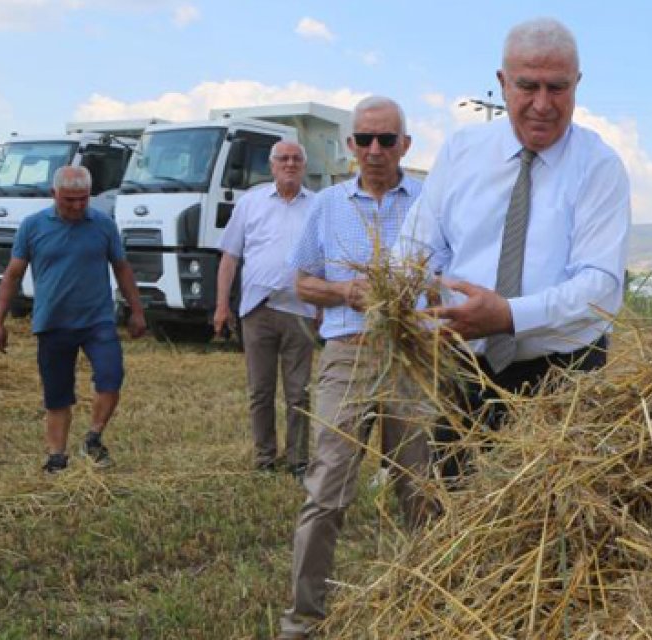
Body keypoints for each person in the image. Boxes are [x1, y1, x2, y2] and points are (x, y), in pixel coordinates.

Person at [396, 17, 631, 478]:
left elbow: (600, 285)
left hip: (564, 379)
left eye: (558, 88)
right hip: (466, 370)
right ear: (502, 83)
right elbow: (416, 246)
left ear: (577, 83)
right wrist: (413, 296)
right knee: (456, 507)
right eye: (528, 86)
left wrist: (508, 315)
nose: (542, 104)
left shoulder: (599, 167)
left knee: (552, 524)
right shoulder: (462, 152)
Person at [277, 96, 434, 637]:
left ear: (405, 146)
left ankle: (425, 611)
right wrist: (346, 290)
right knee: (326, 491)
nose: (374, 150)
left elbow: (453, 275)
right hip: (347, 351)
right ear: (349, 146)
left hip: (413, 351)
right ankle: (302, 621)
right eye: (364, 139)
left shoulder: (430, 202)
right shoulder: (328, 206)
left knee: (420, 487)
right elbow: (301, 281)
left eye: (386, 140)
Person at [0, 165, 146, 473]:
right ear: (53, 194)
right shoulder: (32, 227)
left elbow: (122, 268)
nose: (76, 206)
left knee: (111, 377)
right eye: (69, 199)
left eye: (83, 199)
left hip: (97, 320)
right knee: (57, 393)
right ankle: (57, 457)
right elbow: (13, 275)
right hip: (53, 322)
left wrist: (137, 311)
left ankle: (93, 438)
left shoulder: (103, 225)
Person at [214, 140, 319, 476]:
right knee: (260, 391)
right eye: (283, 159)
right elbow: (230, 256)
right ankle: (264, 459)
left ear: (304, 165)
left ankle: (298, 461)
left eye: (296, 159)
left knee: (299, 393)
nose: (290, 164)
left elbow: (327, 260)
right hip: (256, 310)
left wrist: (323, 307)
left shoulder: (318, 206)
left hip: (300, 310)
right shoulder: (250, 203)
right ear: (272, 166)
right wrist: (221, 306)